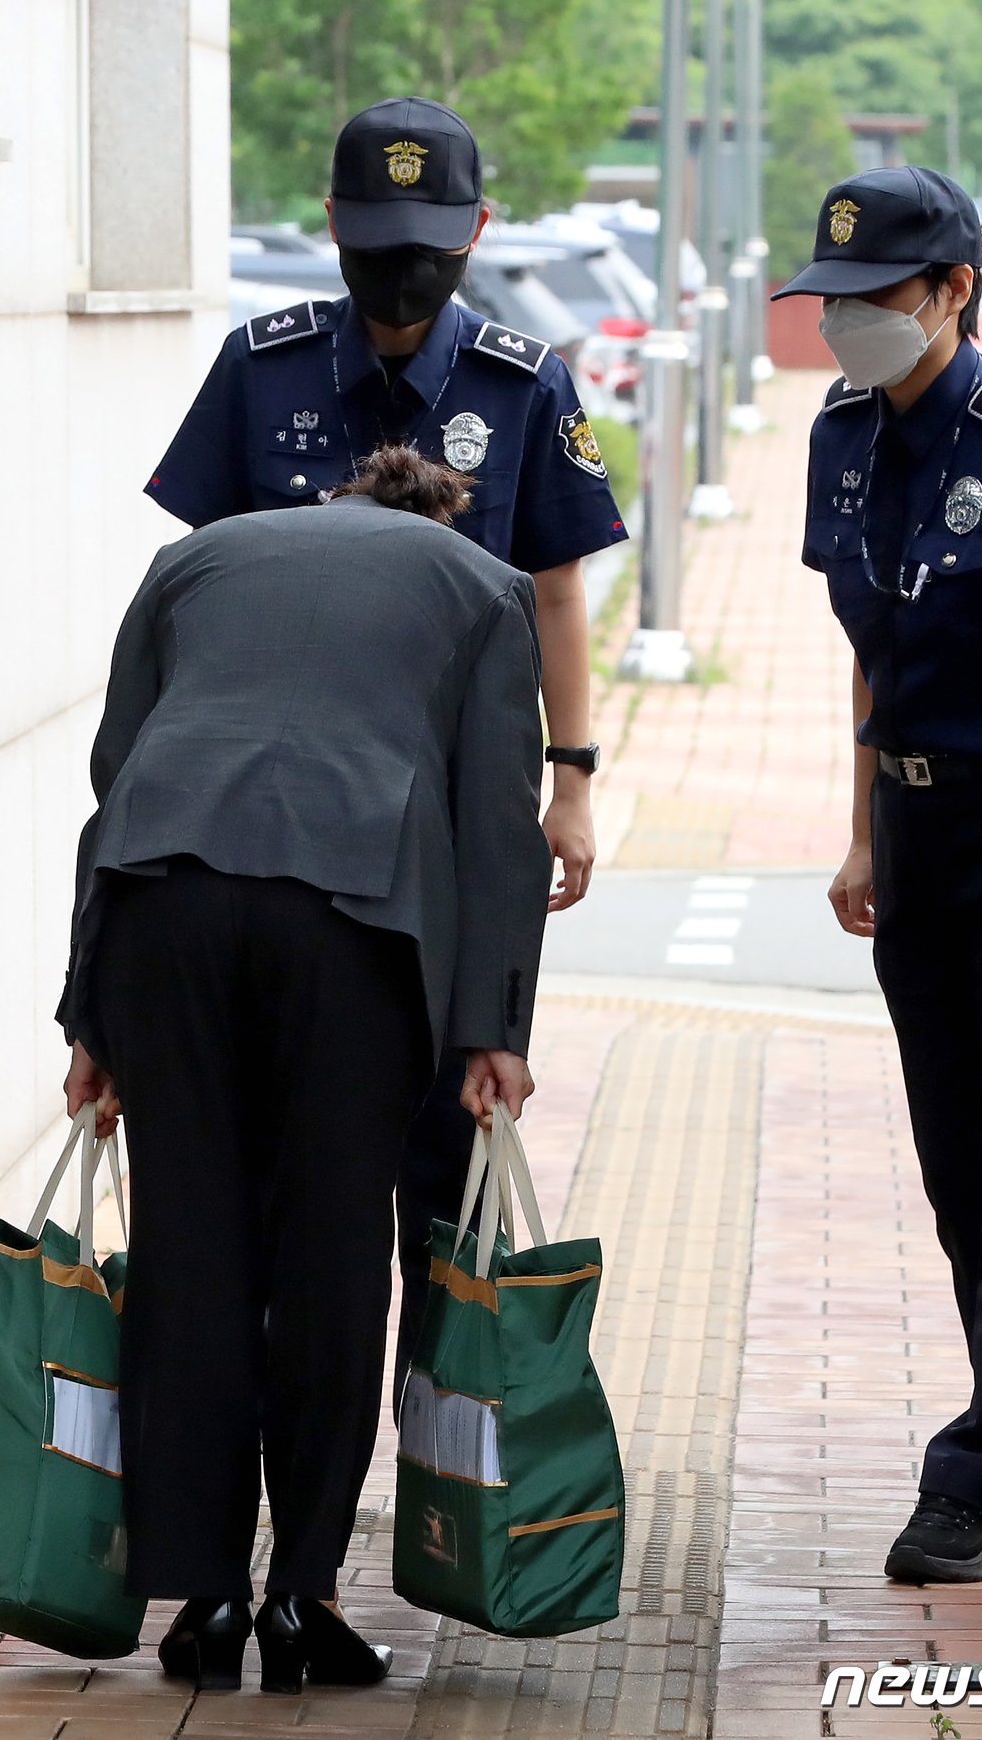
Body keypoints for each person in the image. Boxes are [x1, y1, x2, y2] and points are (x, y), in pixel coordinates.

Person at [144, 94, 626, 1402]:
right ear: (334, 228)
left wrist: (571, 778)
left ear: (476, 229)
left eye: (429, 236)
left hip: (448, 840)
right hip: (275, 833)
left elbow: (557, 590)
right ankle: (282, 1421)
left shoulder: (525, 385)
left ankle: (427, 1440)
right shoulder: (265, 367)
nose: (401, 267)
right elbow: (191, 584)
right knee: (271, 1154)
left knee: (445, 1140)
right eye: (375, 235)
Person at [58, 444, 552, 1690]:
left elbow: (115, 776)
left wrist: (88, 1015)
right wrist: (494, 1026)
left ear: (334, 500)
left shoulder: (196, 558)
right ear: (436, 515)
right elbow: (497, 819)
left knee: (191, 1242)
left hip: (163, 904)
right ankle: (302, 1597)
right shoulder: (484, 586)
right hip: (353, 918)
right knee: (331, 1251)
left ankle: (204, 1596)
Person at [773, 166, 982, 1584]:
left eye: (877, 302)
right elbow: (871, 649)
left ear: (953, 293)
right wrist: (860, 829)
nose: (849, 325)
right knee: (958, 1162)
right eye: (834, 301)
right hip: (915, 834)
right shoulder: (843, 435)